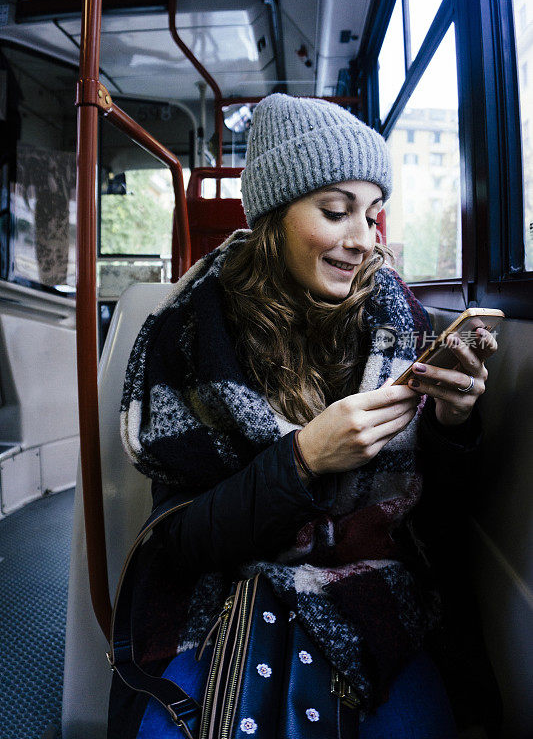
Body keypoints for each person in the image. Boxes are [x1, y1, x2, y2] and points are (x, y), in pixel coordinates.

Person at [110, 94, 501, 738]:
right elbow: (182, 539)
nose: (360, 240)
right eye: (335, 211)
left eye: (371, 215)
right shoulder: (192, 335)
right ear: (272, 217)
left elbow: (431, 524)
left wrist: (452, 426)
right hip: (225, 593)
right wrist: (304, 460)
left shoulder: (395, 322)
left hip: (376, 590)